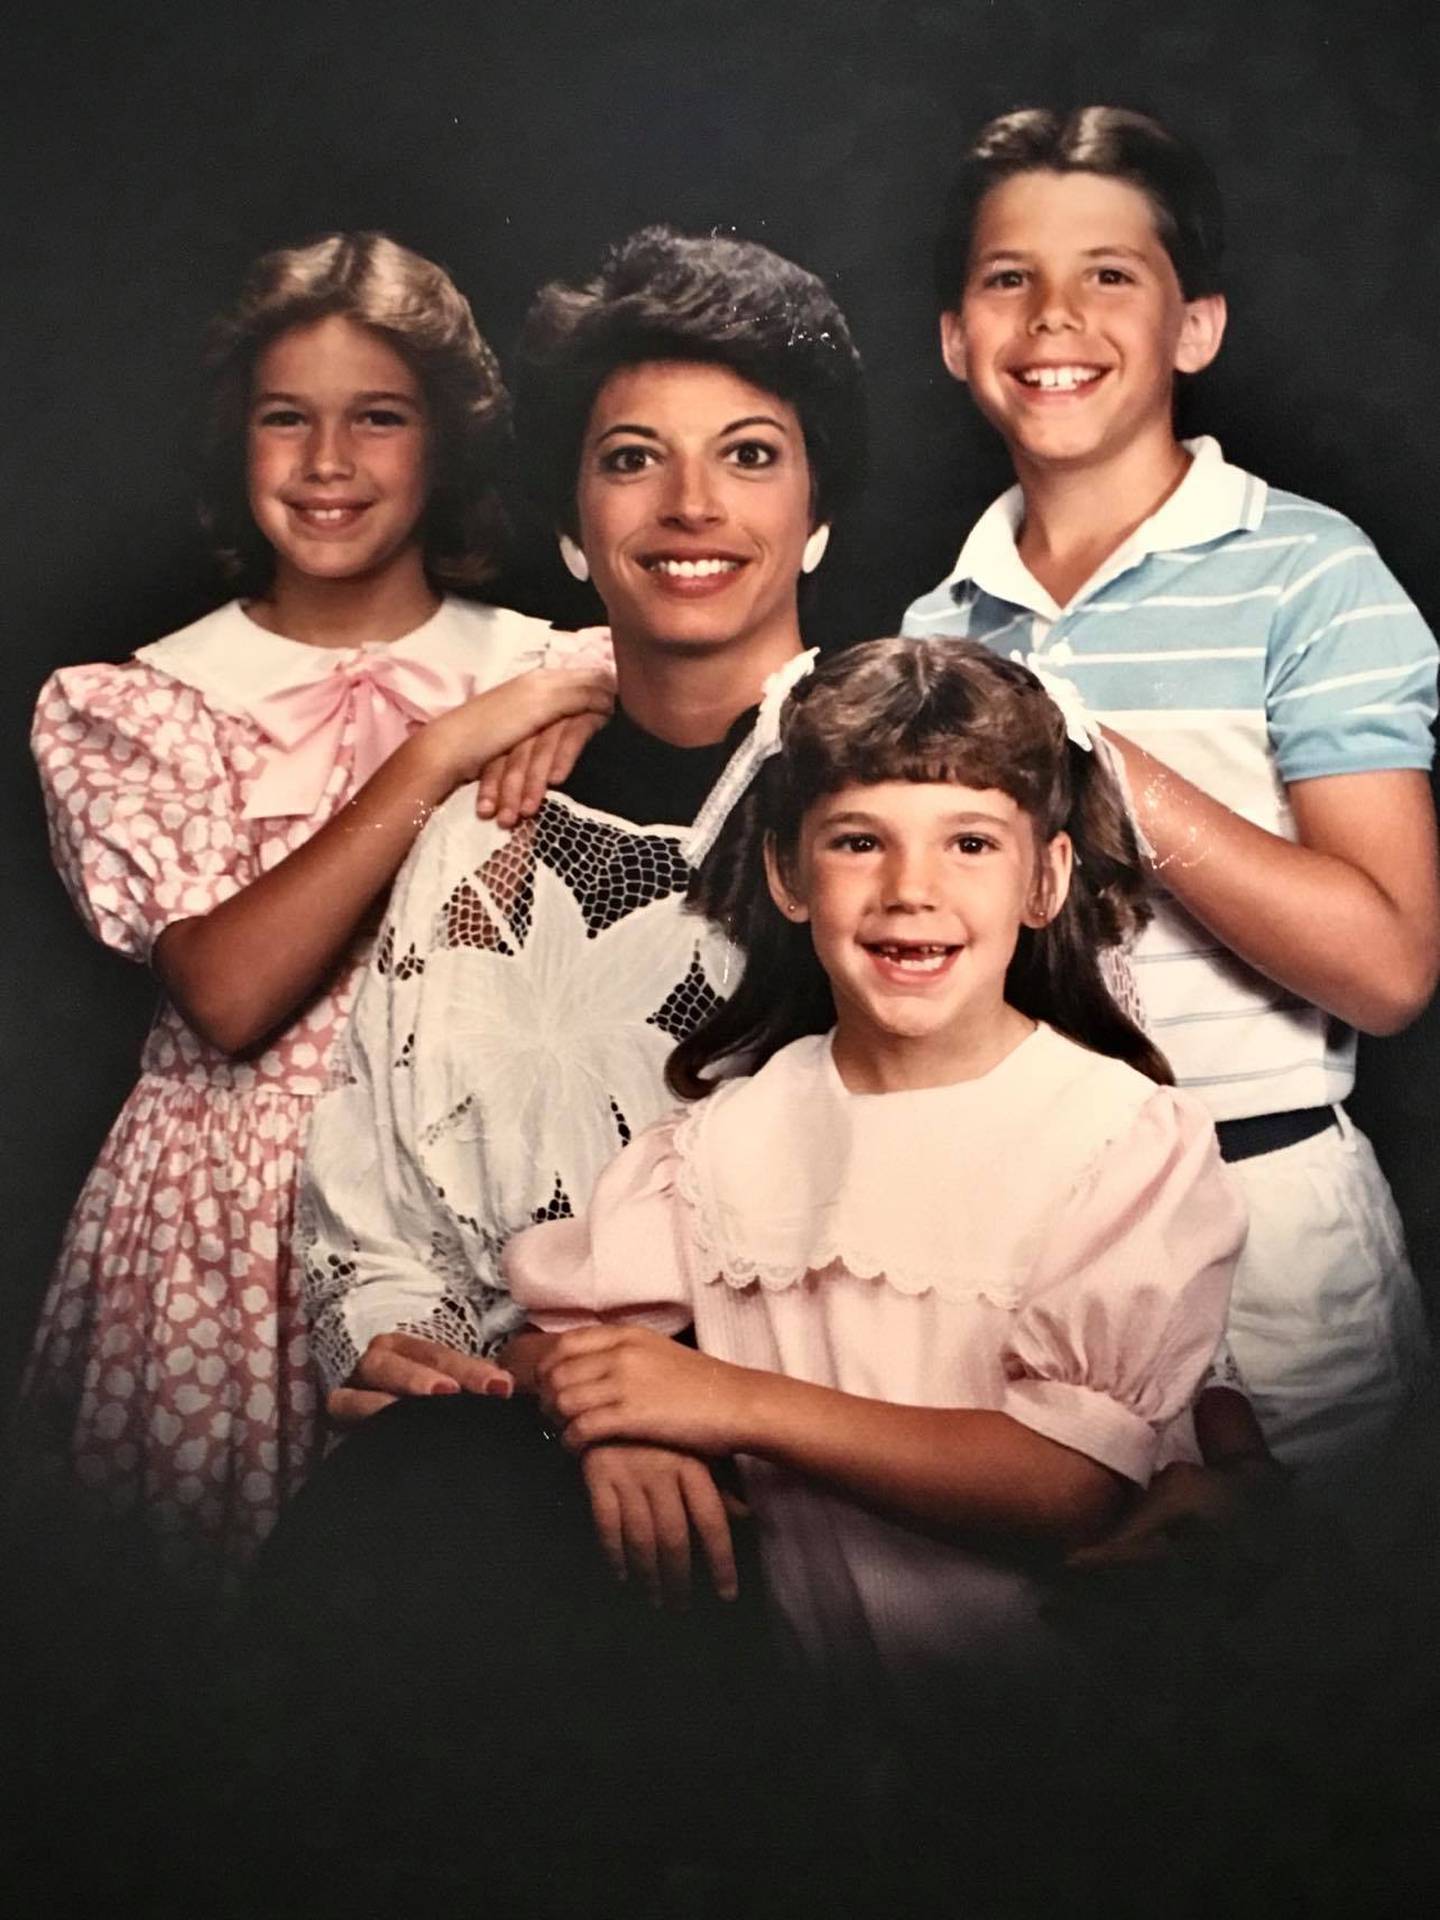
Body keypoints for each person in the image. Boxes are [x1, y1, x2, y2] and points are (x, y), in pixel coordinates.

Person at [19, 231, 615, 1581]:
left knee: (459, 1617)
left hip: (474, 1205)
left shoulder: (554, 665)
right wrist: (437, 755)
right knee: (214, 1664)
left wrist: (560, 712)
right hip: (224, 1230)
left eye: (379, 420)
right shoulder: (142, 699)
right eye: (287, 418)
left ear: (447, 444)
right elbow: (227, 994)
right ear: (237, 440)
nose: (329, 461)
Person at [505, 634, 1245, 1702]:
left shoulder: (1117, 1138)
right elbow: (554, 1343)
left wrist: (728, 1402)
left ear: (1047, 878)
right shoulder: (725, 1145)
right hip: (827, 1737)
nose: (910, 889)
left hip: (1077, 1733)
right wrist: (612, 1432)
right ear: (788, 874)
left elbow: (1075, 1483)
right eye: (859, 841)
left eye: (971, 845)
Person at [902, 107, 1440, 1473]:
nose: (1054, 316)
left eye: (1111, 275)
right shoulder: (936, 628)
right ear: (956, 337)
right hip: (1010, 1224)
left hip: (1264, 1228)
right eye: (1007, 277)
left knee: (1299, 1659)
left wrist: (1098, 764)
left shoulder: (1311, 574)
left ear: (1194, 327)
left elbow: (1386, 968)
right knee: (1044, 1662)